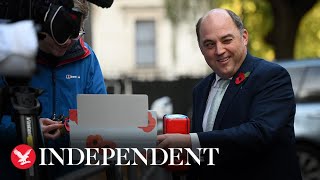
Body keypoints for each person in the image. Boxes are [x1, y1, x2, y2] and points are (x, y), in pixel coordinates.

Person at [157, 8, 302, 180]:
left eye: (226, 40)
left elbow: (259, 134)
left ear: (244, 37)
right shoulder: (200, 89)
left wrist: (190, 142)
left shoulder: (271, 76)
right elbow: (205, 155)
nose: (219, 50)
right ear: (201, 48)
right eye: (209, 44)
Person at [0, 0, 106, 179]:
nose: (68, 40)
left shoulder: (87, 58)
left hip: (74, 173)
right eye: (62, 31)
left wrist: (68, 128)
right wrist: (27, 130)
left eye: (76, 32)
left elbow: (101, 117)